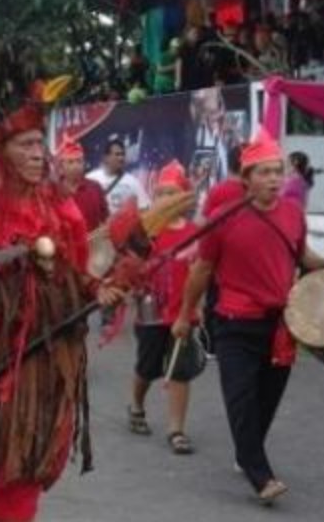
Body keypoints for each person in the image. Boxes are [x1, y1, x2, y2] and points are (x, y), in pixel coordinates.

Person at [0, 48, 124, 522]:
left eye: (40, 143)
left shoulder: (63, 211)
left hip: (47, 368)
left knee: (29, 477)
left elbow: (74, 278)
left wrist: (101, 291)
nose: (38, 154)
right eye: (25, 145)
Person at [173, 130, 324, 505]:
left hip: (282, 325)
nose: (274, 179)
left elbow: (302, 256)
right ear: (246, 178)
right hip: (234, 321)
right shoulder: (222, 218)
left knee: (267, 399)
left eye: (278, 171)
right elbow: (201, 271)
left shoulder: (294, 213)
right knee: (241, 398)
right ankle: (259, 473)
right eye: (264, 172)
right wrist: (186, 314)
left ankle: (246, 452)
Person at [128, 161, 201, 455]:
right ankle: (136, 404)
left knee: (180, 371)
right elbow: (129, 267)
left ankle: (176, 429)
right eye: (160, 193)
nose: (166, 199)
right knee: (148, 367)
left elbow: (201, 270)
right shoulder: (146, 230)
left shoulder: (196, 231)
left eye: (172, 193)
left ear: (184, 197)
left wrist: (198, 306)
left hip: (183, 311)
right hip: (151, 310)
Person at [86, 137, 149, 215]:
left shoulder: (133, 182)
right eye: (117, 154)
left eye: (123, 154)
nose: (121, 158)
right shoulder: (90, 178)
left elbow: (144, 208)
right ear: (106, 157)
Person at [55, 139, 108, 231]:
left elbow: (105, 218)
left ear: (84, 164)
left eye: (79, 161)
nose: (76, 166)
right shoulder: (54, 191)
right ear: (62, 166)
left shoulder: (95, 187)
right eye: (70, 162)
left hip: (92, 242)